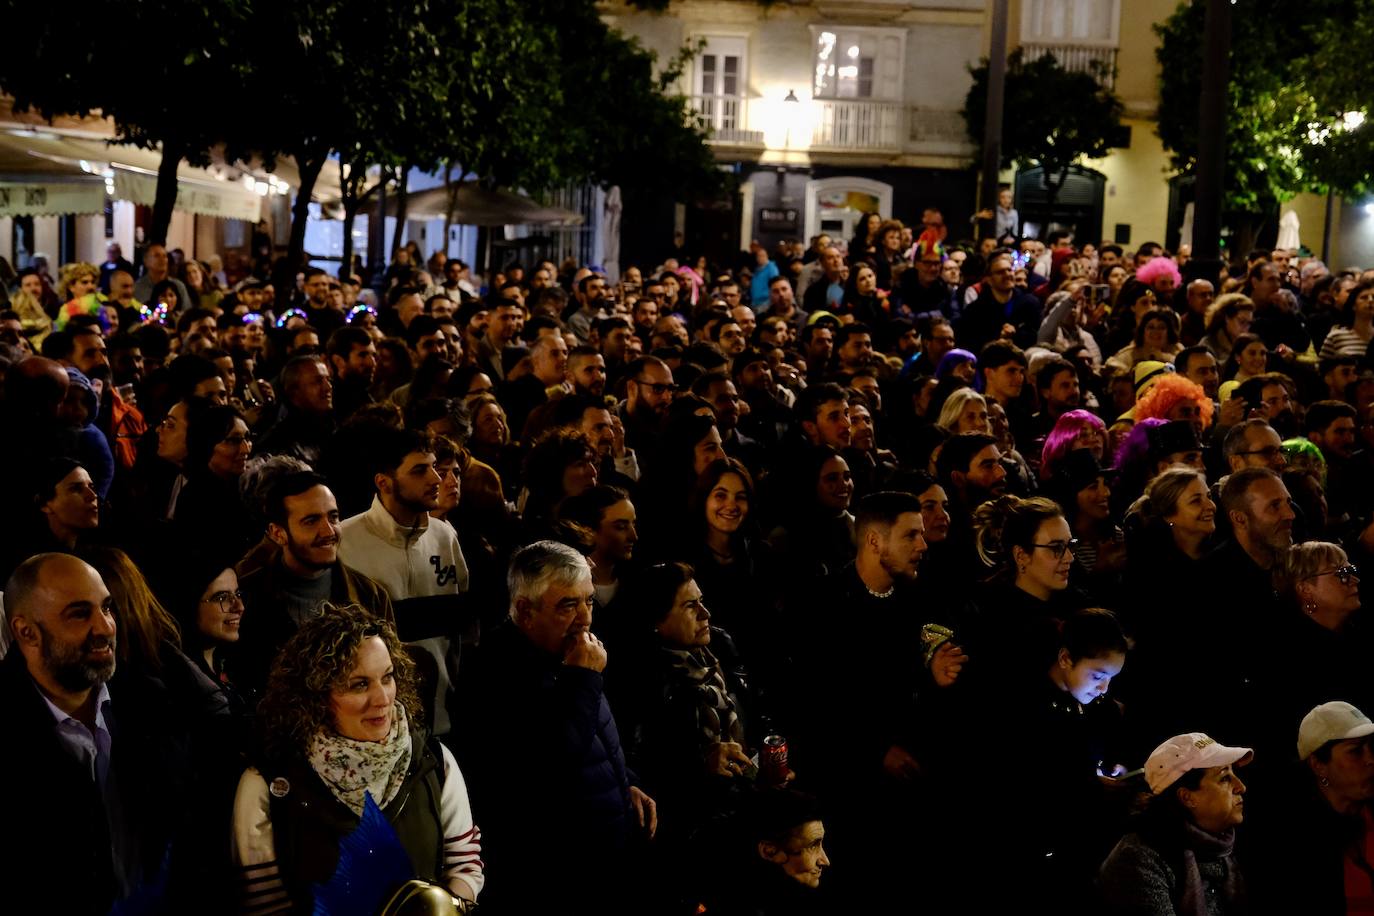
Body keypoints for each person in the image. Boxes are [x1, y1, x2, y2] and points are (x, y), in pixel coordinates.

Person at [232, 608, 483, 913]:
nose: (383, 698)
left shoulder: (434, 761)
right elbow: (266, 904)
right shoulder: (267, 783)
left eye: (387, 678)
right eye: (359, 684)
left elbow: (464, 866)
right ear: (315, 694)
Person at [458, 541, 656, 915]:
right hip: (554, 881)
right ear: (524, 610)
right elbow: (549, 765)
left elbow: (595, 735)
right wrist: (582, 679)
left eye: (589, 602)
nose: (584, 619)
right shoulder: (494, 673)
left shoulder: (567, 654)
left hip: (604, 864)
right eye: (568, 605)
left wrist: (623, 782)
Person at [2, 553, 196, 914]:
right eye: (79, 614)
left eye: (106, 608)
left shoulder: (152, 702)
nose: (105, 627)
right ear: (26, 632)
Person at [337, 427, 469, 736]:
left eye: (434, 467)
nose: (436, 479)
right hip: (375, 720)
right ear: (384, 482)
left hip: (444, 718)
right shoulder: (346, 543)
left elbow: (462, 632)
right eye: (420, 470)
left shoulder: (445, 537)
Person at [235, 472, 396, 698]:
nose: (328, 531)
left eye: (333, 517)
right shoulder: (245, 598)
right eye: (311, 521)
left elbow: (392, 675)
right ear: (278, 533)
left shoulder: (369, 596)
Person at [1100, 733, 1253, 916]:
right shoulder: (1138, 860)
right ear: (1187, 797)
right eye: (1224, 778)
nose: (1241, 787)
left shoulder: (1228, 842)